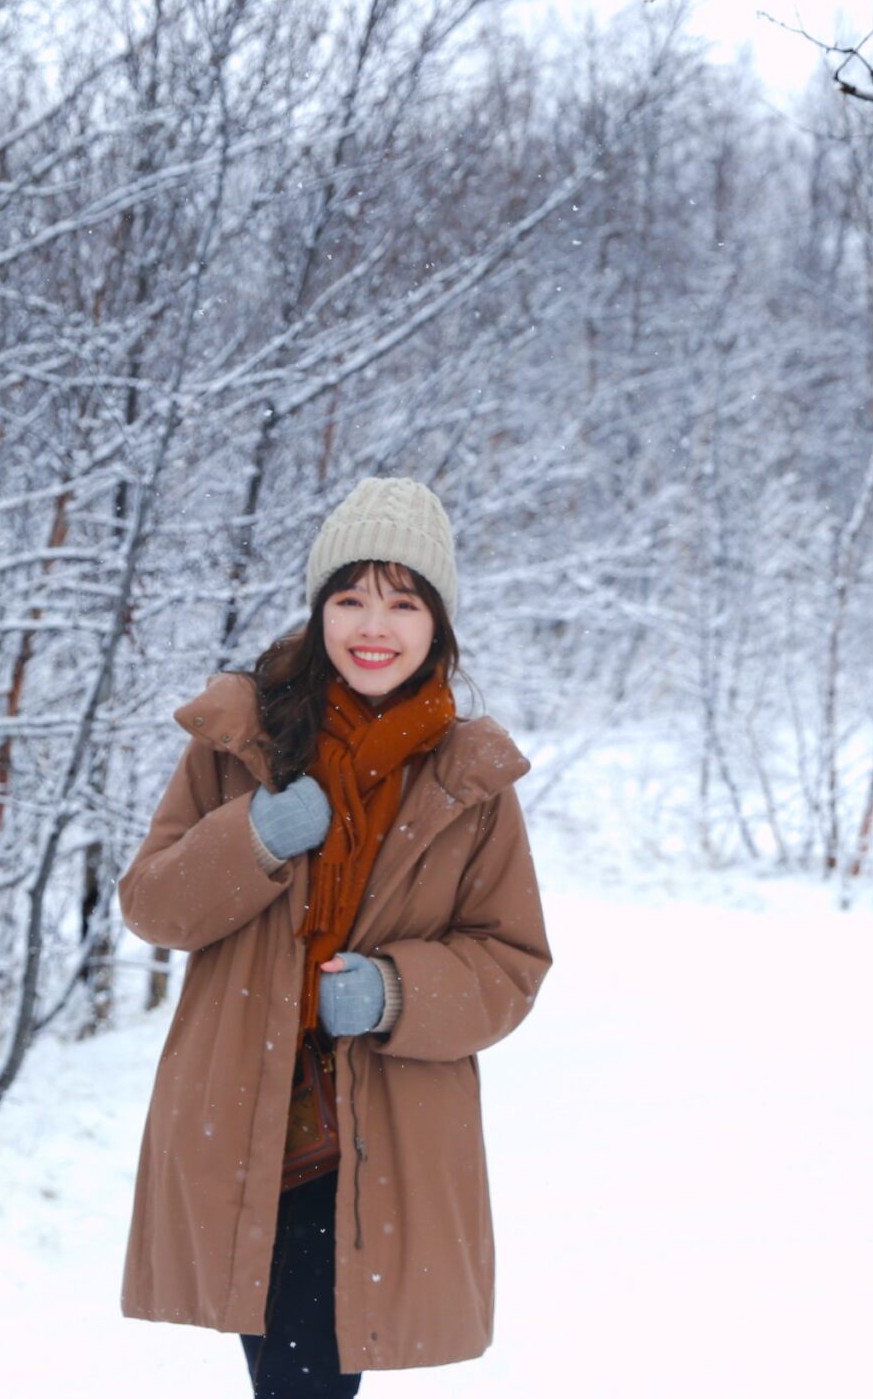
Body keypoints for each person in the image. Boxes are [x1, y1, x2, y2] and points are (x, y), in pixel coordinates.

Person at [116, 475, 552, 1396]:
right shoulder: (242, 741)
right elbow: (152, 905)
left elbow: (510, 961)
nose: (373, 626)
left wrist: (395, 991)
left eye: (404, 602)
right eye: (350, 598)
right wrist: (255, 836)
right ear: (319, 611)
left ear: (439, 624)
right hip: (240, 1124)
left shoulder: (470, 777)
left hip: (376, 1137)